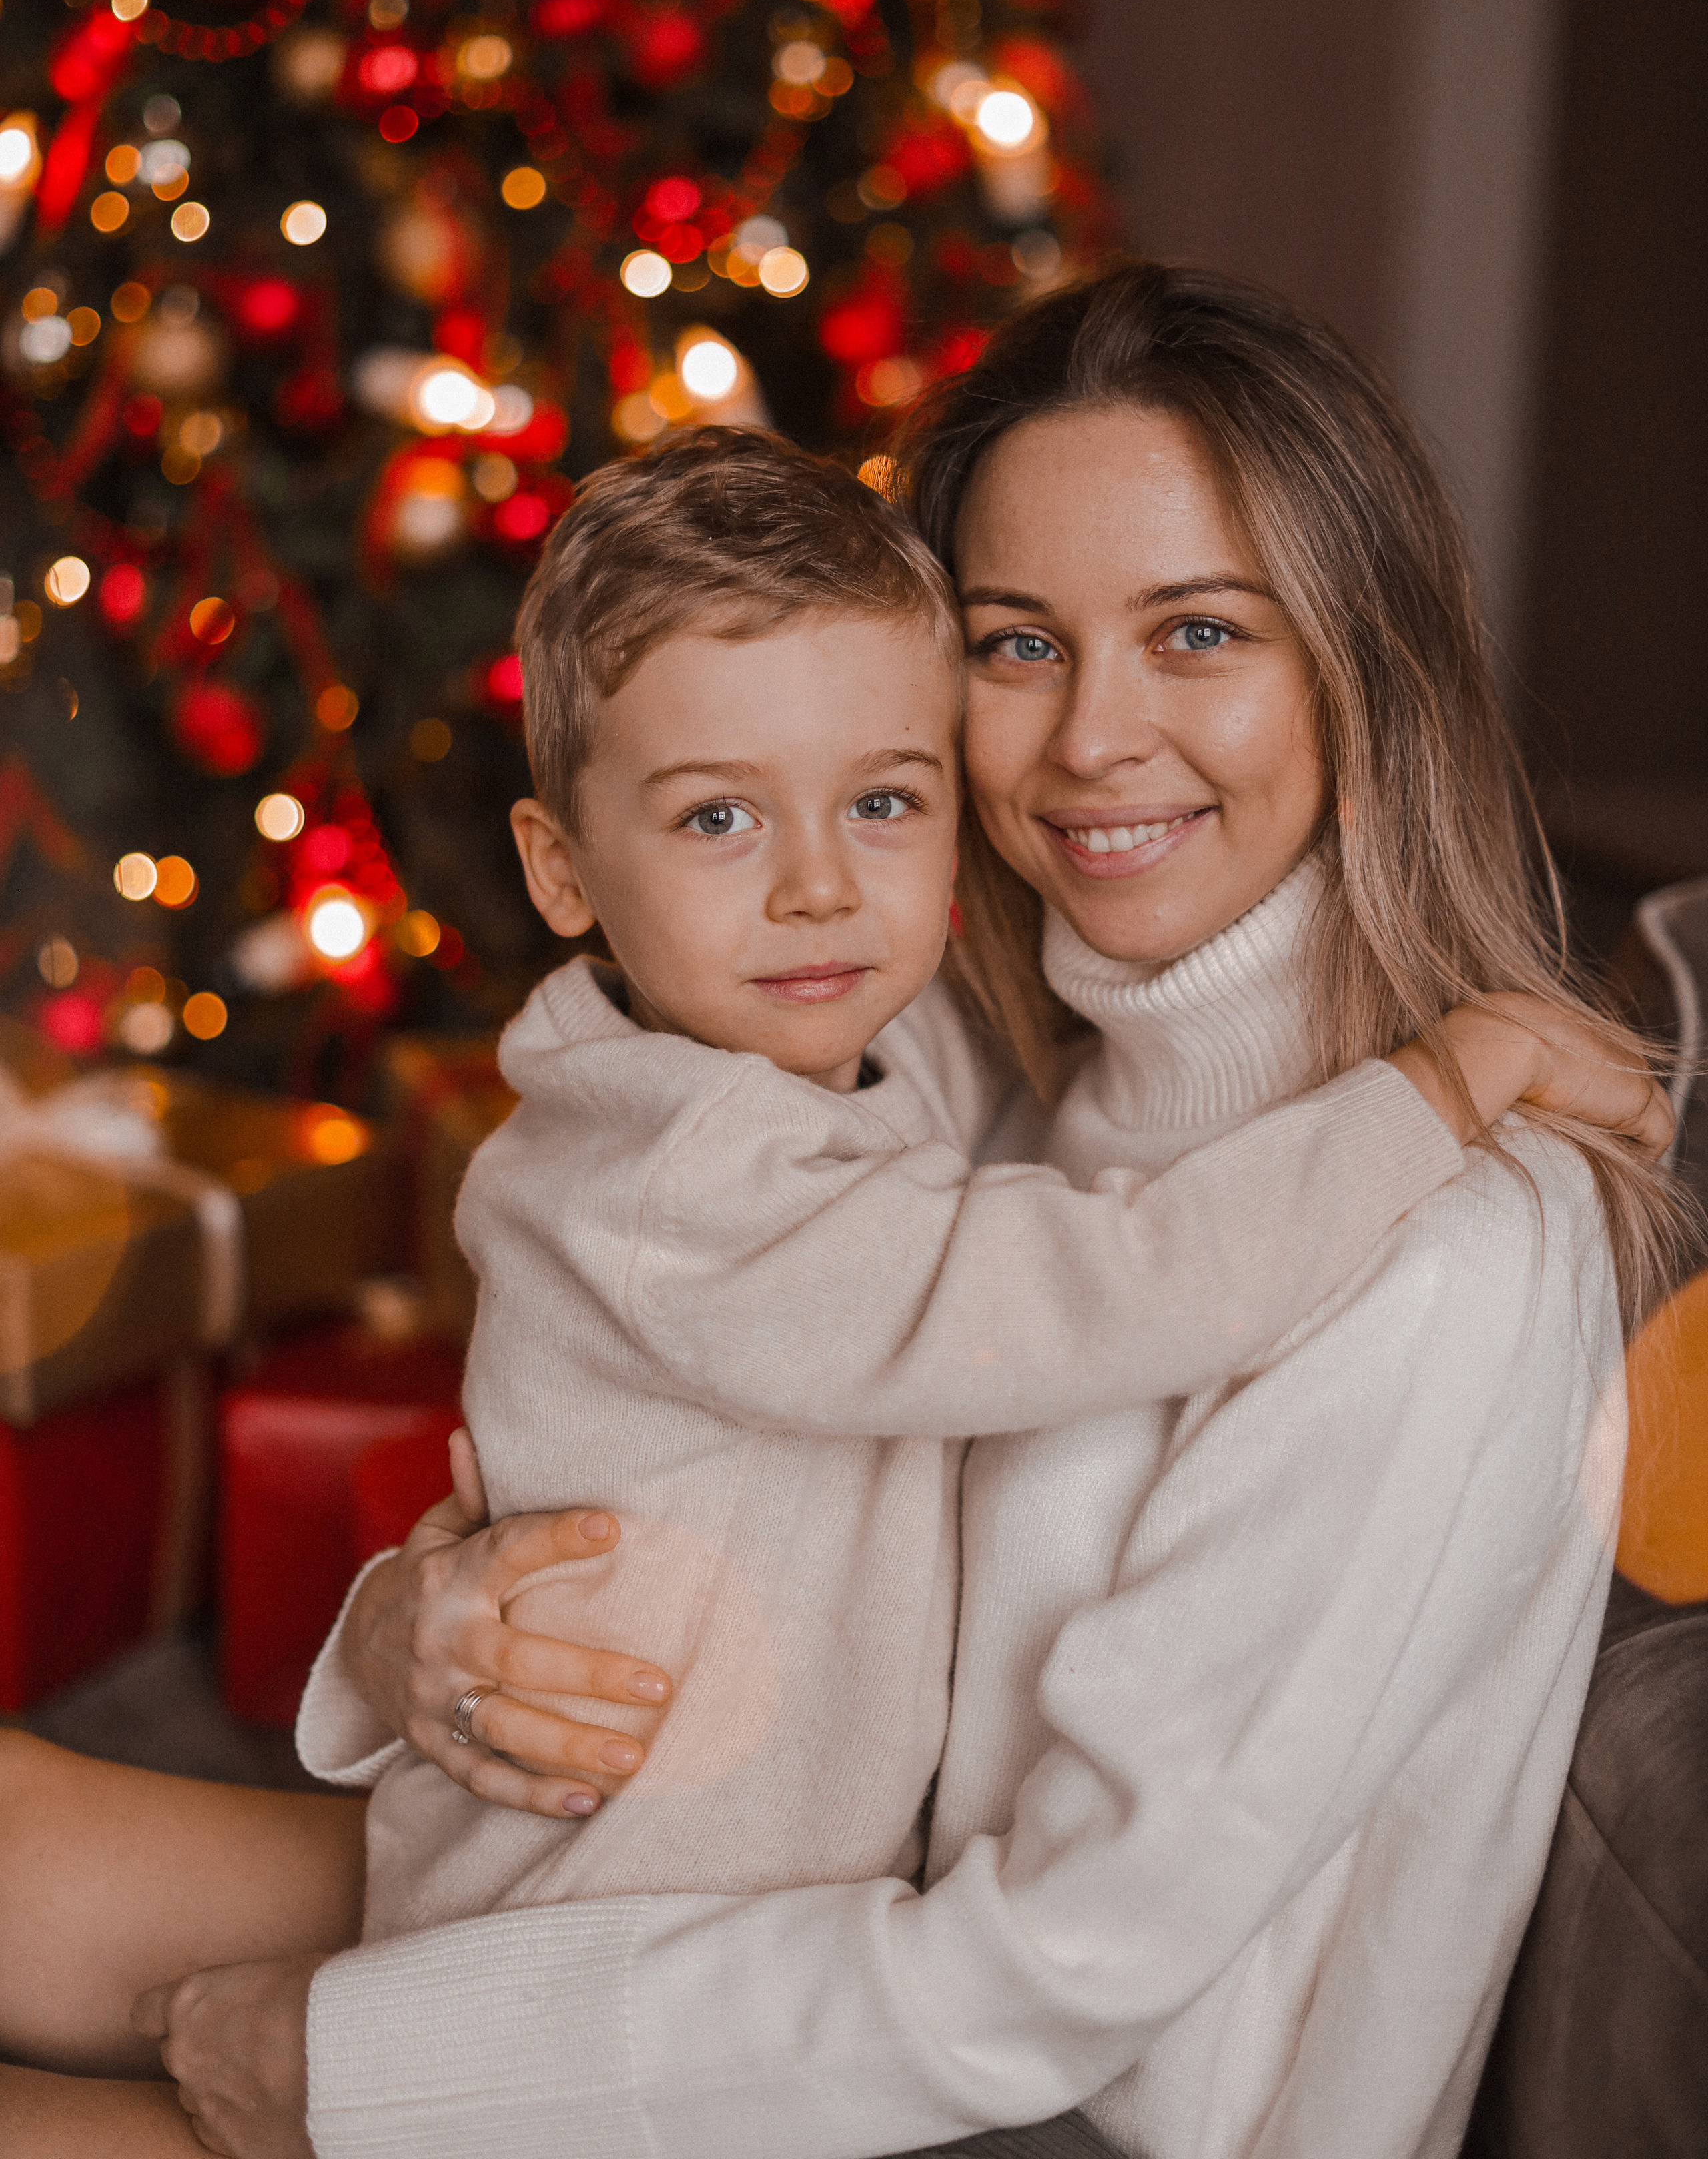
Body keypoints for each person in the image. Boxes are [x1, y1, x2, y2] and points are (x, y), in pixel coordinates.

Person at [0, 266, 1677, 2159]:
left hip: (1016, 2107)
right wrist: (412, 1631)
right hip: (755, 1898)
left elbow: (1049, 1980)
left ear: (1361, 664)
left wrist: (355, 2074)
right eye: (1018, 643)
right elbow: (659, 1431)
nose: (1093, 737)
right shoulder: (974, 1069)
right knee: (45, 1842)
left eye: (1199, 632)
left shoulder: (1439, 1254)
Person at [369, 423, 1513, 1945]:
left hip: (697, 1908)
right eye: (719, 817)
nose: (818, 885)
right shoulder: (689, 1174)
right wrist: (1439, 1087)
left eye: (884, 802)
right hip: (600, 1924)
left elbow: (968, 1056)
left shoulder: (811, 1051)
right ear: (561, 869)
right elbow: (1108, 1287)